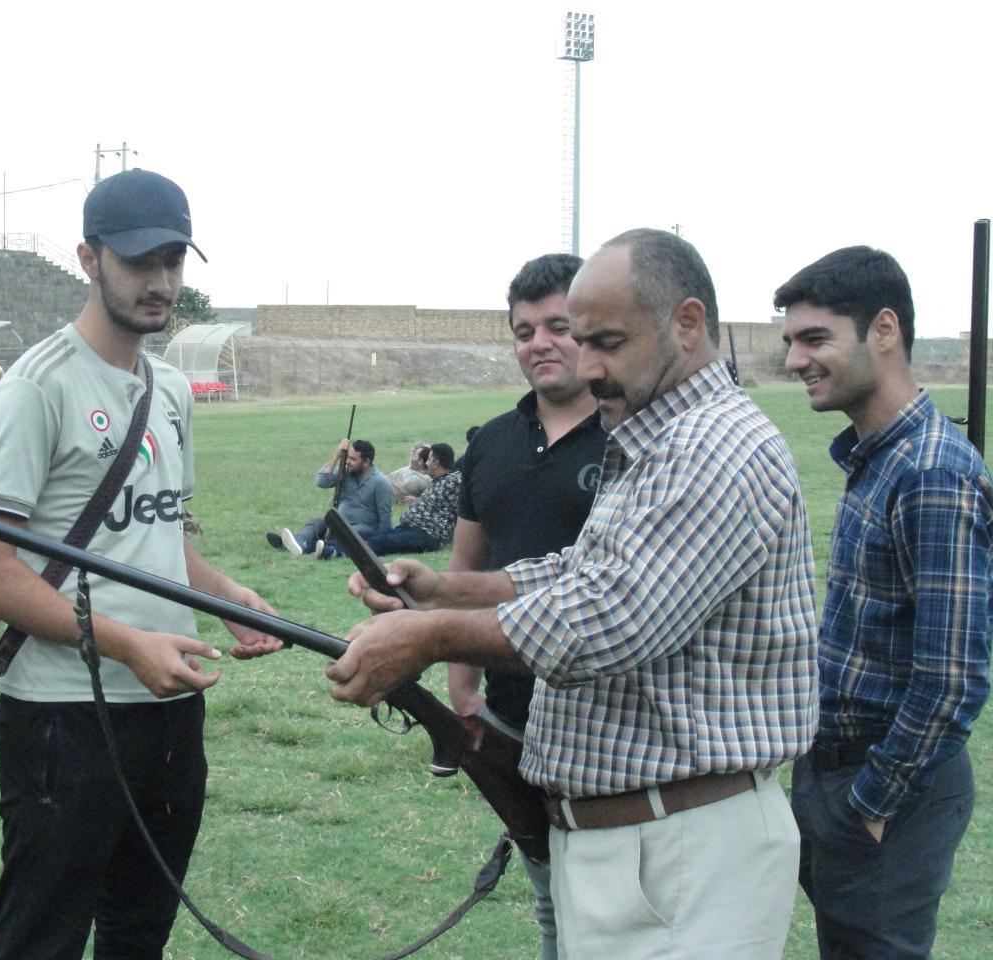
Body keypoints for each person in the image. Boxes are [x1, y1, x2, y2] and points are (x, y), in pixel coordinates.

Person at [327, 228, 819, 959]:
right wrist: (444, 591)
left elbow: (608, 619)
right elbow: (581, 572)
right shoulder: (659, 435)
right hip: (639, 844)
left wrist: (428, 636)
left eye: (608, 342)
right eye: (577, 340)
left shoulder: (714, 445)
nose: (588, 367)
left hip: (682, 851)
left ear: (687, 323)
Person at [0, 168, 283, 960]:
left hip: (171, 708)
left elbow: (163, 537)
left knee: (141, 933)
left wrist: (231, 595)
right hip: (67, 716)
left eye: (173, 261)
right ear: (88, 258)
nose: (160, 281)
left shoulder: (170, 390)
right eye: (139, 261)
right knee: (42, 936)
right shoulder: (36, 388)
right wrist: (128, 643)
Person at [776, 246, 991, 959]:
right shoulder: (883, 458)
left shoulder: (929, 472)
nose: (794, 361)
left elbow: (952, 676)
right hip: (837, 773)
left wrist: (868, 806)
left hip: (886, 795)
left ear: (885, 330)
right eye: (790, 342)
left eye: (815, 339)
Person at [445, 253, 605, 960]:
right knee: (545, 895)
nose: (539, 342)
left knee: (601, 904)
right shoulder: (492, 441)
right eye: (523, 331)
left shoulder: (636, 440)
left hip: (605, 714)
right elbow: (465, 564)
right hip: (511, 713)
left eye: (559, 325)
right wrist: (461, 685)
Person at [324, 443, 459, 558]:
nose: (426, 463)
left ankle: (336, 552)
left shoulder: (453, 482)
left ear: (436, 463)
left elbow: (461, 511)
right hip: (409, 528)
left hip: (426, 535)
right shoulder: (439, 482)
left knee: (381, 542)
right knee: (368, 535)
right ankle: (325, 546)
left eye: (429, 459)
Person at [267, 437, 392, 557]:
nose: (348, 461)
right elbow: (321, 481)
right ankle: (298, 543)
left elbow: (385, 516)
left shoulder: (380, 482)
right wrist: (337, 455)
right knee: (315, 523)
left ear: (366, 462)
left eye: (353, 459)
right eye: (347, 457)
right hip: (338, 522)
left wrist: (383, 542)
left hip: (363, 528)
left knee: (351, 533)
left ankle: (313, 548)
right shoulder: (346, 473)